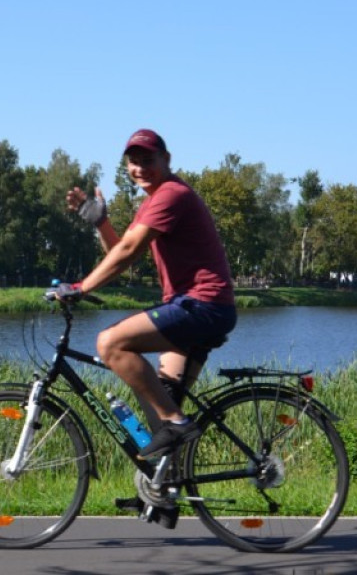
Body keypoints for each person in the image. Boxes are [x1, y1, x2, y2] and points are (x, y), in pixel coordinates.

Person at [54, 128, 237, 457]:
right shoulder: (156, 201)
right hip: (199, 308)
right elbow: (122, 253)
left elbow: (128, 252)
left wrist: (80, 288)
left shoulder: (171, 195)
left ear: (166, 159)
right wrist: (99, 222)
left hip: (201, 306)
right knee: (160, 403)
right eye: (133, 162)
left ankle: (176, 422)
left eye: (147, 160)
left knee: (110, 342)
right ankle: (163, 496)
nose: (139, 168)